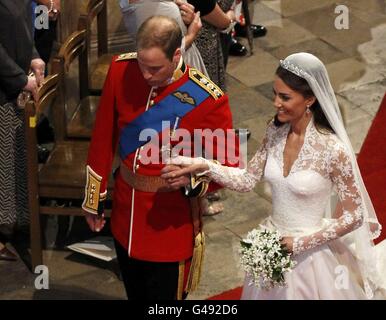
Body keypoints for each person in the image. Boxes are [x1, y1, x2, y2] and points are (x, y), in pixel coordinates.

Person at [161, 52, 386, 299]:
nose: (276, 102)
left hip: (311, 260)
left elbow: (355, 215)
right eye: (274, 94)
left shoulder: (334, 151)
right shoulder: (275, 131)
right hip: (270, 247)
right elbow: (246, 180)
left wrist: (300, 244)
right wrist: (202, 165)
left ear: (310, 99)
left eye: (285, 97)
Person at [82, 15, 238, 300]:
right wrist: (94, 200)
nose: (145, 75)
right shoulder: (120, 70)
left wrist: (191, 179)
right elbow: (103, 137)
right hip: (125, 217)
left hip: (170, 226)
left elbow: (229, 166)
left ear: (177, 54)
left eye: (154, 68)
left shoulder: (208, 98)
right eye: (142, 64)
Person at [0, 0, 45, 261]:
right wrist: (20, 79)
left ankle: (11, 222)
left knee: (14, 160)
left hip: (15, 85)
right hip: (5, 86)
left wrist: (34, 55)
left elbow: (22, 27)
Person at [118, 0, 207, 76]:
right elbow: (160, 55)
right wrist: (191, 35)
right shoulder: (146, 6)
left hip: (185, 60)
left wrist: (187, 16)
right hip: (171, 72)